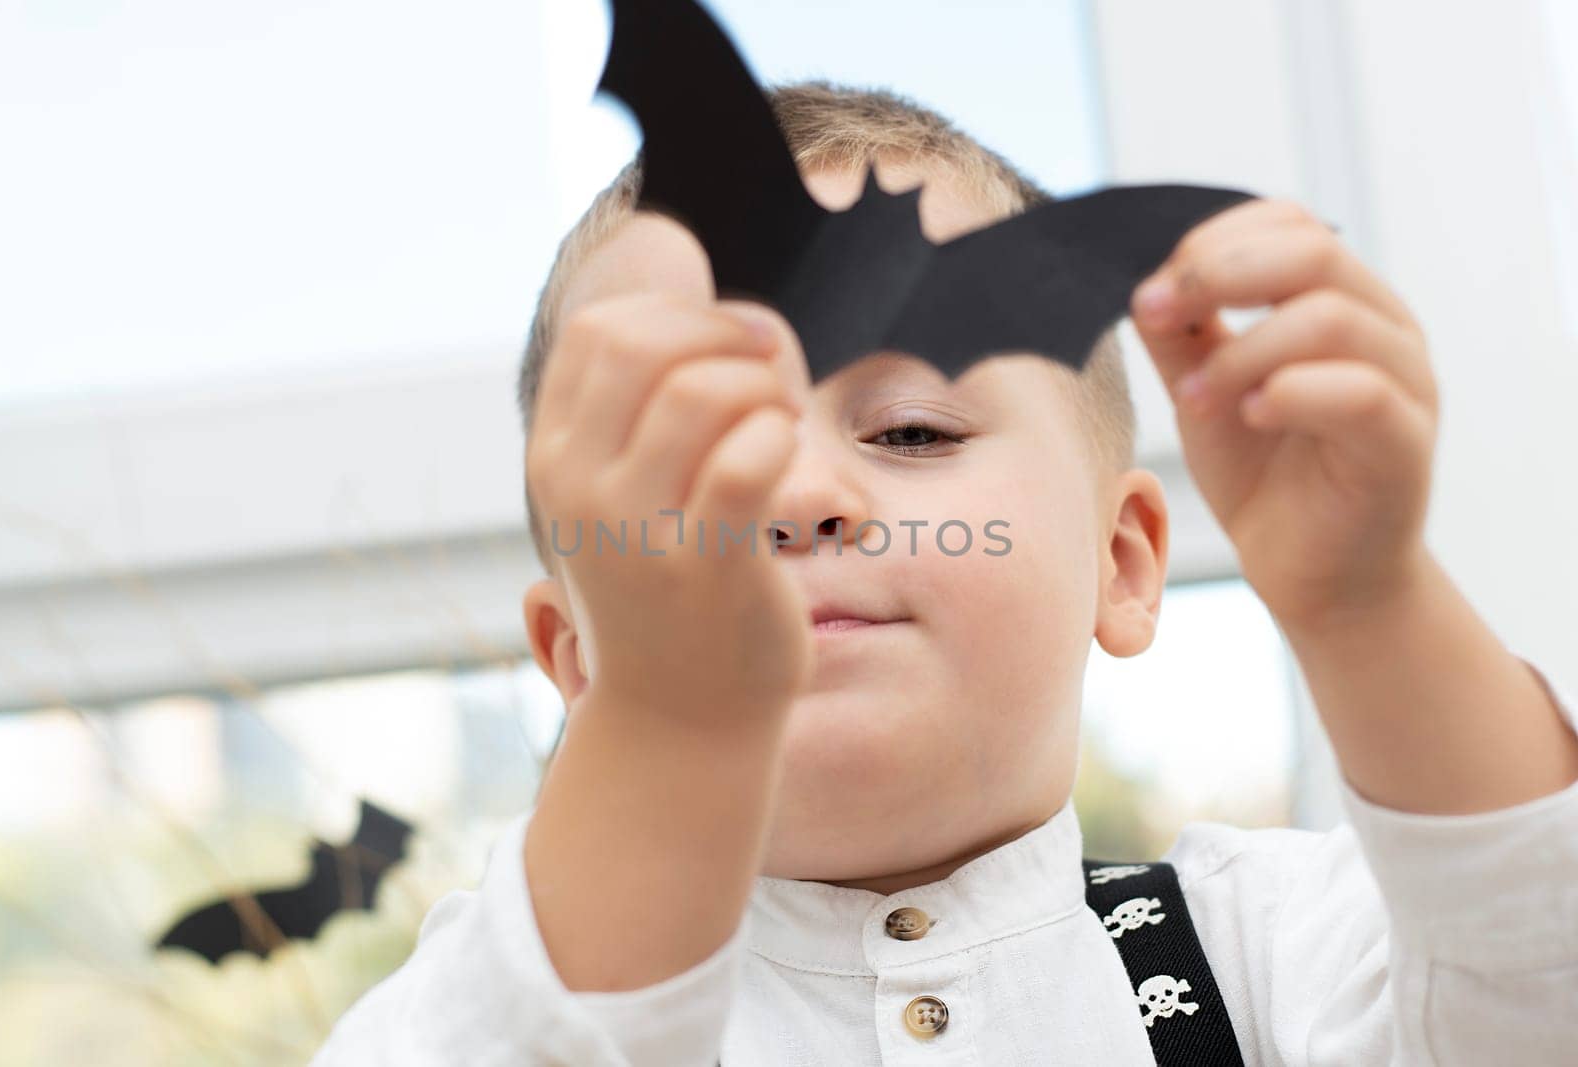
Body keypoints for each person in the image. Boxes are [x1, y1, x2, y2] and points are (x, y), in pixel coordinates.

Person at [311, 81, 1578, 1065]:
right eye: (699, 470)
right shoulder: (480, 1005)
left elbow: (1536, 981)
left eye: (912, 430)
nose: (801, 496)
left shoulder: (1273, 952)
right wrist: (670, 727)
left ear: (1124, 562)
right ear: (580, 663)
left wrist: (1368, 602)